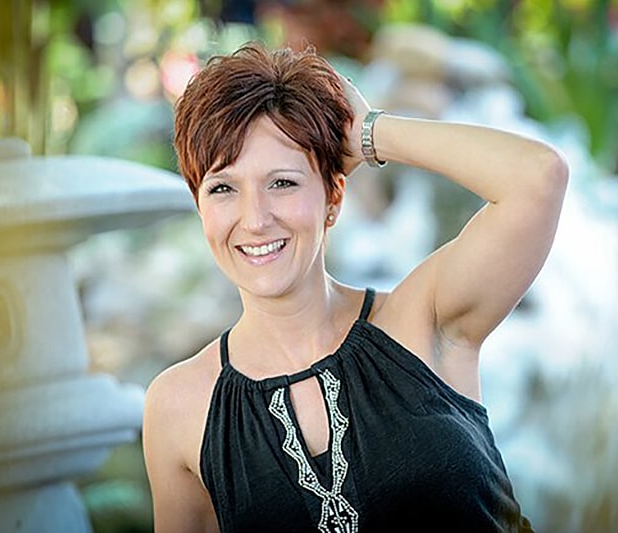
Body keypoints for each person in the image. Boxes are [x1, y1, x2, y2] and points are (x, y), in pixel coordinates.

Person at [142, 41, 568, 533]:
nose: (255, 219)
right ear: (201, 209)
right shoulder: (179, 406)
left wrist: (368, 132)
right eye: (222, 188)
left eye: (282, 183)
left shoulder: (424, 318)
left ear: (333, 197)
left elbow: (539, 177)